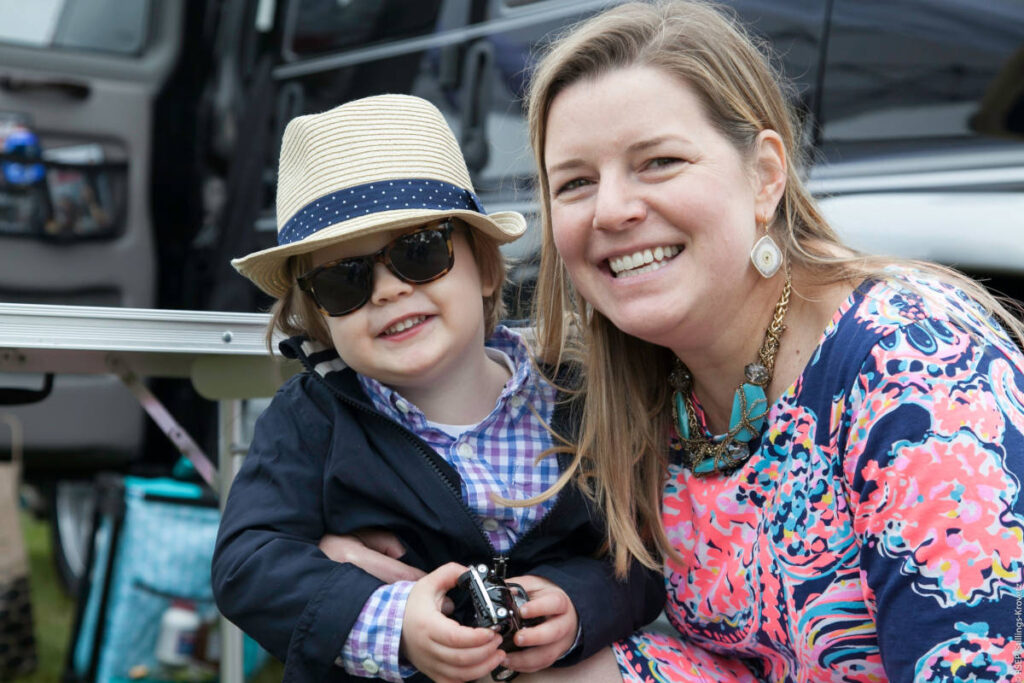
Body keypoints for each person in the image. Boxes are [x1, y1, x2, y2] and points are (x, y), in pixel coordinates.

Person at [524, 1, 1024, 681]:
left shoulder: (914, 369)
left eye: (659, 162)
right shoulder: (651, 383)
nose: (611, 210)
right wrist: (355, 568)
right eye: (576, 183)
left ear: (764, 175)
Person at [211, 94, 664, 683]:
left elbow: (636, 562)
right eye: (344, 281)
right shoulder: (312, 419)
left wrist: (576, 604)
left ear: (486, 268)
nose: (388, 291)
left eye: (419, 252)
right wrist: (390, 620)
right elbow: (248, 563)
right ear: (321, 317)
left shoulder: (576, 400)